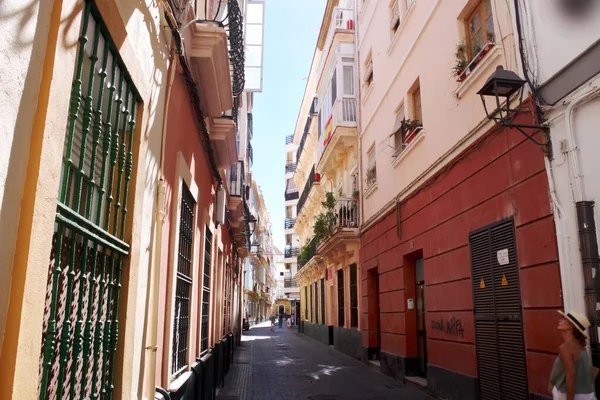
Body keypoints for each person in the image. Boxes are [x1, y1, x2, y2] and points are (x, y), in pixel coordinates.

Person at [549, 310, 597, 400]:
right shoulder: (580, 346)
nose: (560, 320)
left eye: (564, 319)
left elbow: (570, 377)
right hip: (587, 394)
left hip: (569, 395)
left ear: (571, 325)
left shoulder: (566, 347)